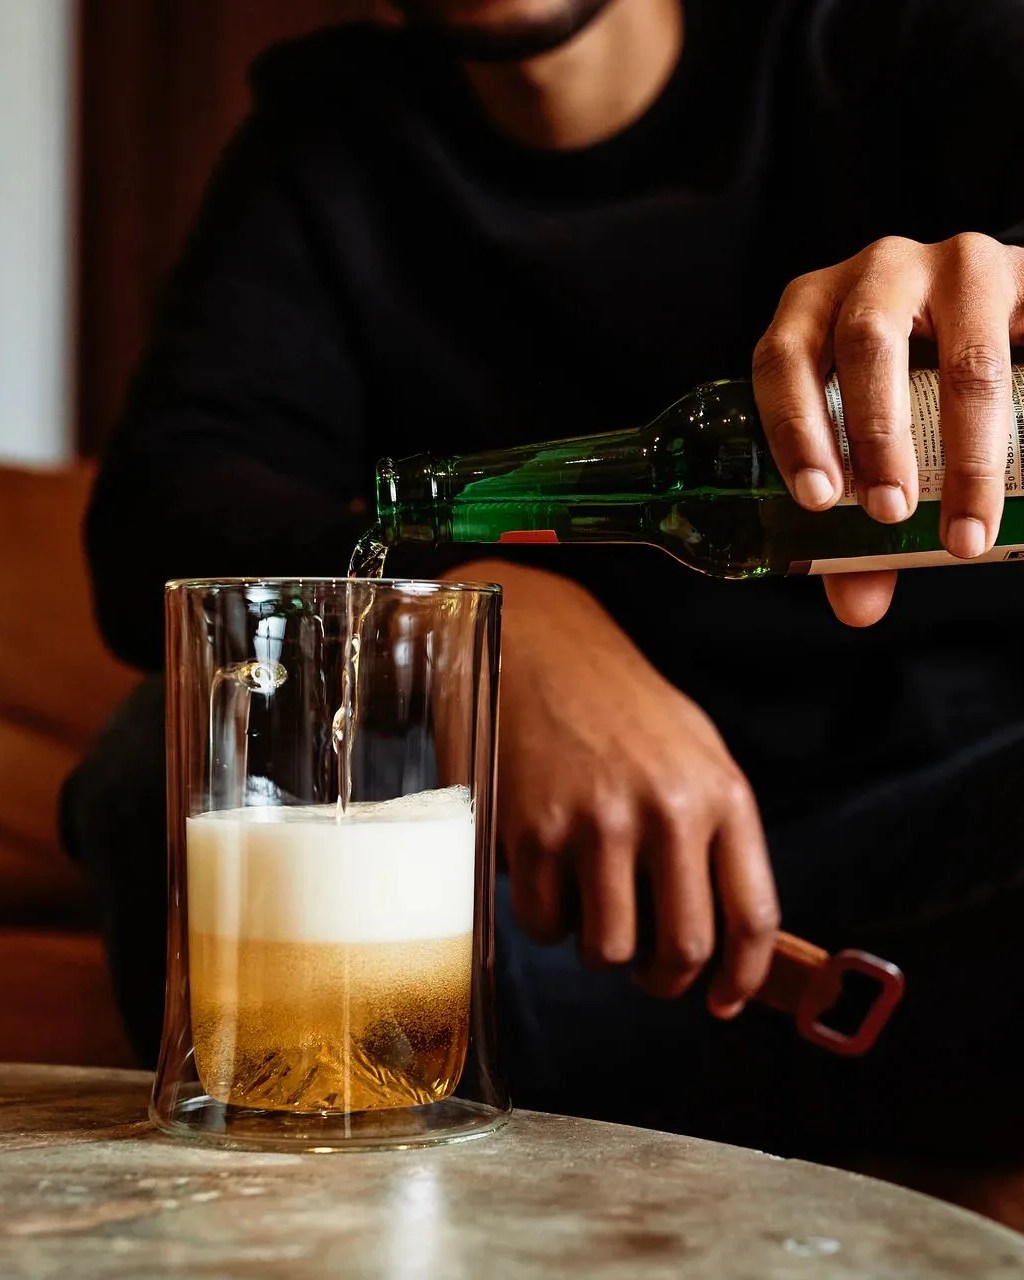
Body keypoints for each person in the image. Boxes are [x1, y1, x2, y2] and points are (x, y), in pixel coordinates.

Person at [65, 0, 1024, 1174]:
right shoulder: (329, 138)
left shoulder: (907, 44)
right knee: (145, 763)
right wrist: (487, 615)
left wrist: (1004, 295)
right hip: (544, 945)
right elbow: (157, 512)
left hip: (946, 891)